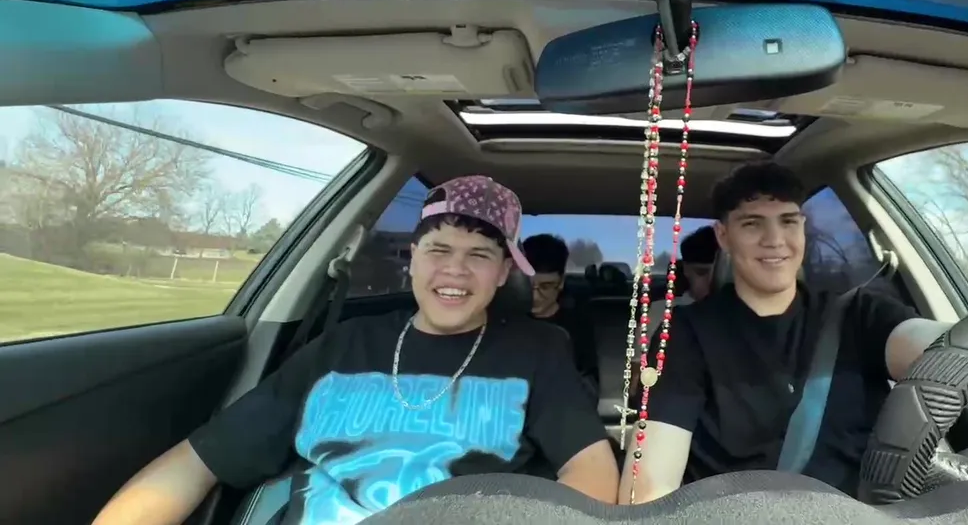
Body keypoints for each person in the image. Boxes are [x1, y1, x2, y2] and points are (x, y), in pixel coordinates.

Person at [622, 162, 968, 504]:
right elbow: (652, 485)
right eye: (753, 224)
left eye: (788, 221)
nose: (775, 240)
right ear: (724, 238)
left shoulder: (860, 314)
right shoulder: (683, 334)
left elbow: (965, 360)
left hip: (871, 511)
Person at [93, 175, 619, 525]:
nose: (455, 270)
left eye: (480, 255)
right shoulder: (341, 345)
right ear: (412, 258)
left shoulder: (537, 351)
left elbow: (592, 473)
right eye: (438, 249)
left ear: (504, 273)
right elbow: (196, 464)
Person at [525, 233, 600, 395]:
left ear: (561, 283)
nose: (535, 296)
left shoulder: (577, 325)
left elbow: (589, 385)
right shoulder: (503, 320)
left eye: (546, 286)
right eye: (528, 286)